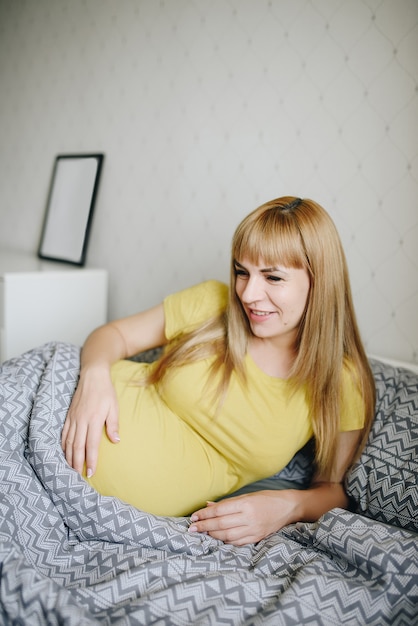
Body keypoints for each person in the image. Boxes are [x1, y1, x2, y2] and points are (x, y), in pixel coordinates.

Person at [61, 196, 375, 546]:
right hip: (60, 407)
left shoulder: (340, 380)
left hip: (92, 507)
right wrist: (94, 376)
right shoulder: (212, 301)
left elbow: (332, 489)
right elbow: (113, 335)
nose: (248, 293)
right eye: (242, 272)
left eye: (272, 277)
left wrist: (287, 506)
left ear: (320, 282)